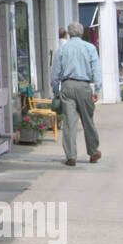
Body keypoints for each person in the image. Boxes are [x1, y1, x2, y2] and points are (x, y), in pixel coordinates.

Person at [50, 21, 102, 165]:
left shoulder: (62, 49)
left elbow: (55, 75)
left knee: (69, 123)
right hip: (84, 86)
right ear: (82, 32)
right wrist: (97, 89)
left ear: (69, 33)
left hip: (67, 86)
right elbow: (97, 70)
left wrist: (56, 92)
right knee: (88, 121)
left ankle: (71, 156)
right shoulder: (90, 48)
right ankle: (93, 152)